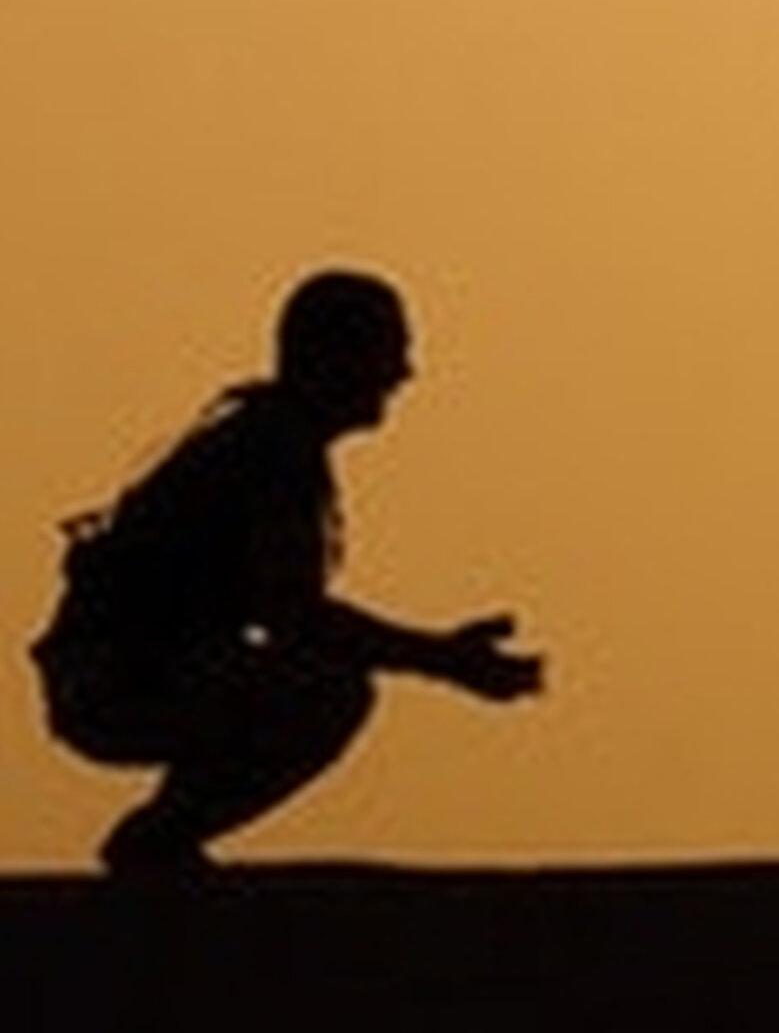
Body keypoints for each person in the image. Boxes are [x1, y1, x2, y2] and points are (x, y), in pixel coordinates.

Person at [31, 269, 545, 874]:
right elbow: (295, 616)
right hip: (116, 681)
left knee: (313, 684)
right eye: (391, 349)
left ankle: (164, 837)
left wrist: (440, 657)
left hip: (128, 673)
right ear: (336, 355)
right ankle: (159, 839)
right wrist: (444, 659)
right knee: (324, 692)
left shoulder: (272, 444)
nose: (404, 372)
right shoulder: (270, 454)